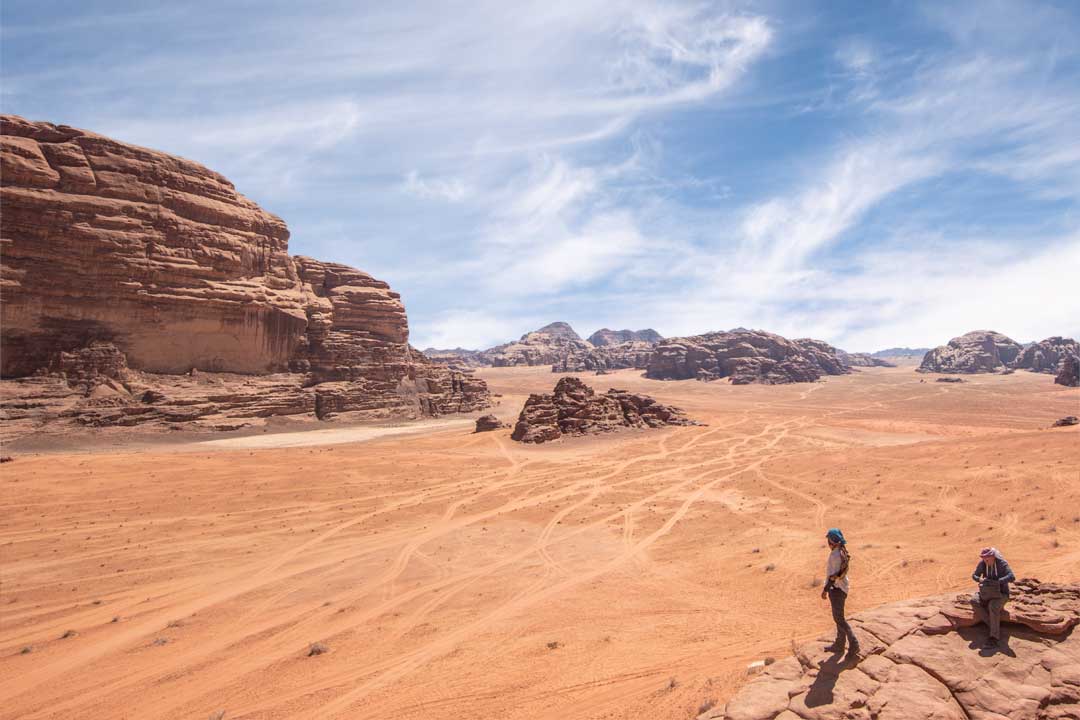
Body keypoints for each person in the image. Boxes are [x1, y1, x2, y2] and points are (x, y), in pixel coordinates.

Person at [821, 528, 859, 657]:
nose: (828, 543)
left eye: (829, 540)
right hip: (840, 588)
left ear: (832, 541)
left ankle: (854, 645)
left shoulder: (836, 555)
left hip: (837, 589)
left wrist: (825, 590)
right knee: (838, 618)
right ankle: (839, 644)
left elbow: (833, 576)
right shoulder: (841, 551)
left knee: (840, 619)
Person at [971, 546, 1015, 649]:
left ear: (993, 556)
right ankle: (993, 626)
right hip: (987, 593)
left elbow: (1012, 576)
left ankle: (994, 637)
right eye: (983, 558)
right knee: (974, 601)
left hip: (1002, 594)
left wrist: (998, 582)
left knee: (993, 605)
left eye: (987, 557)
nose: (985, 560)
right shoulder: (983, 564)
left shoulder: (1001, 564)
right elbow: (974, 575)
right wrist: (980, 580)